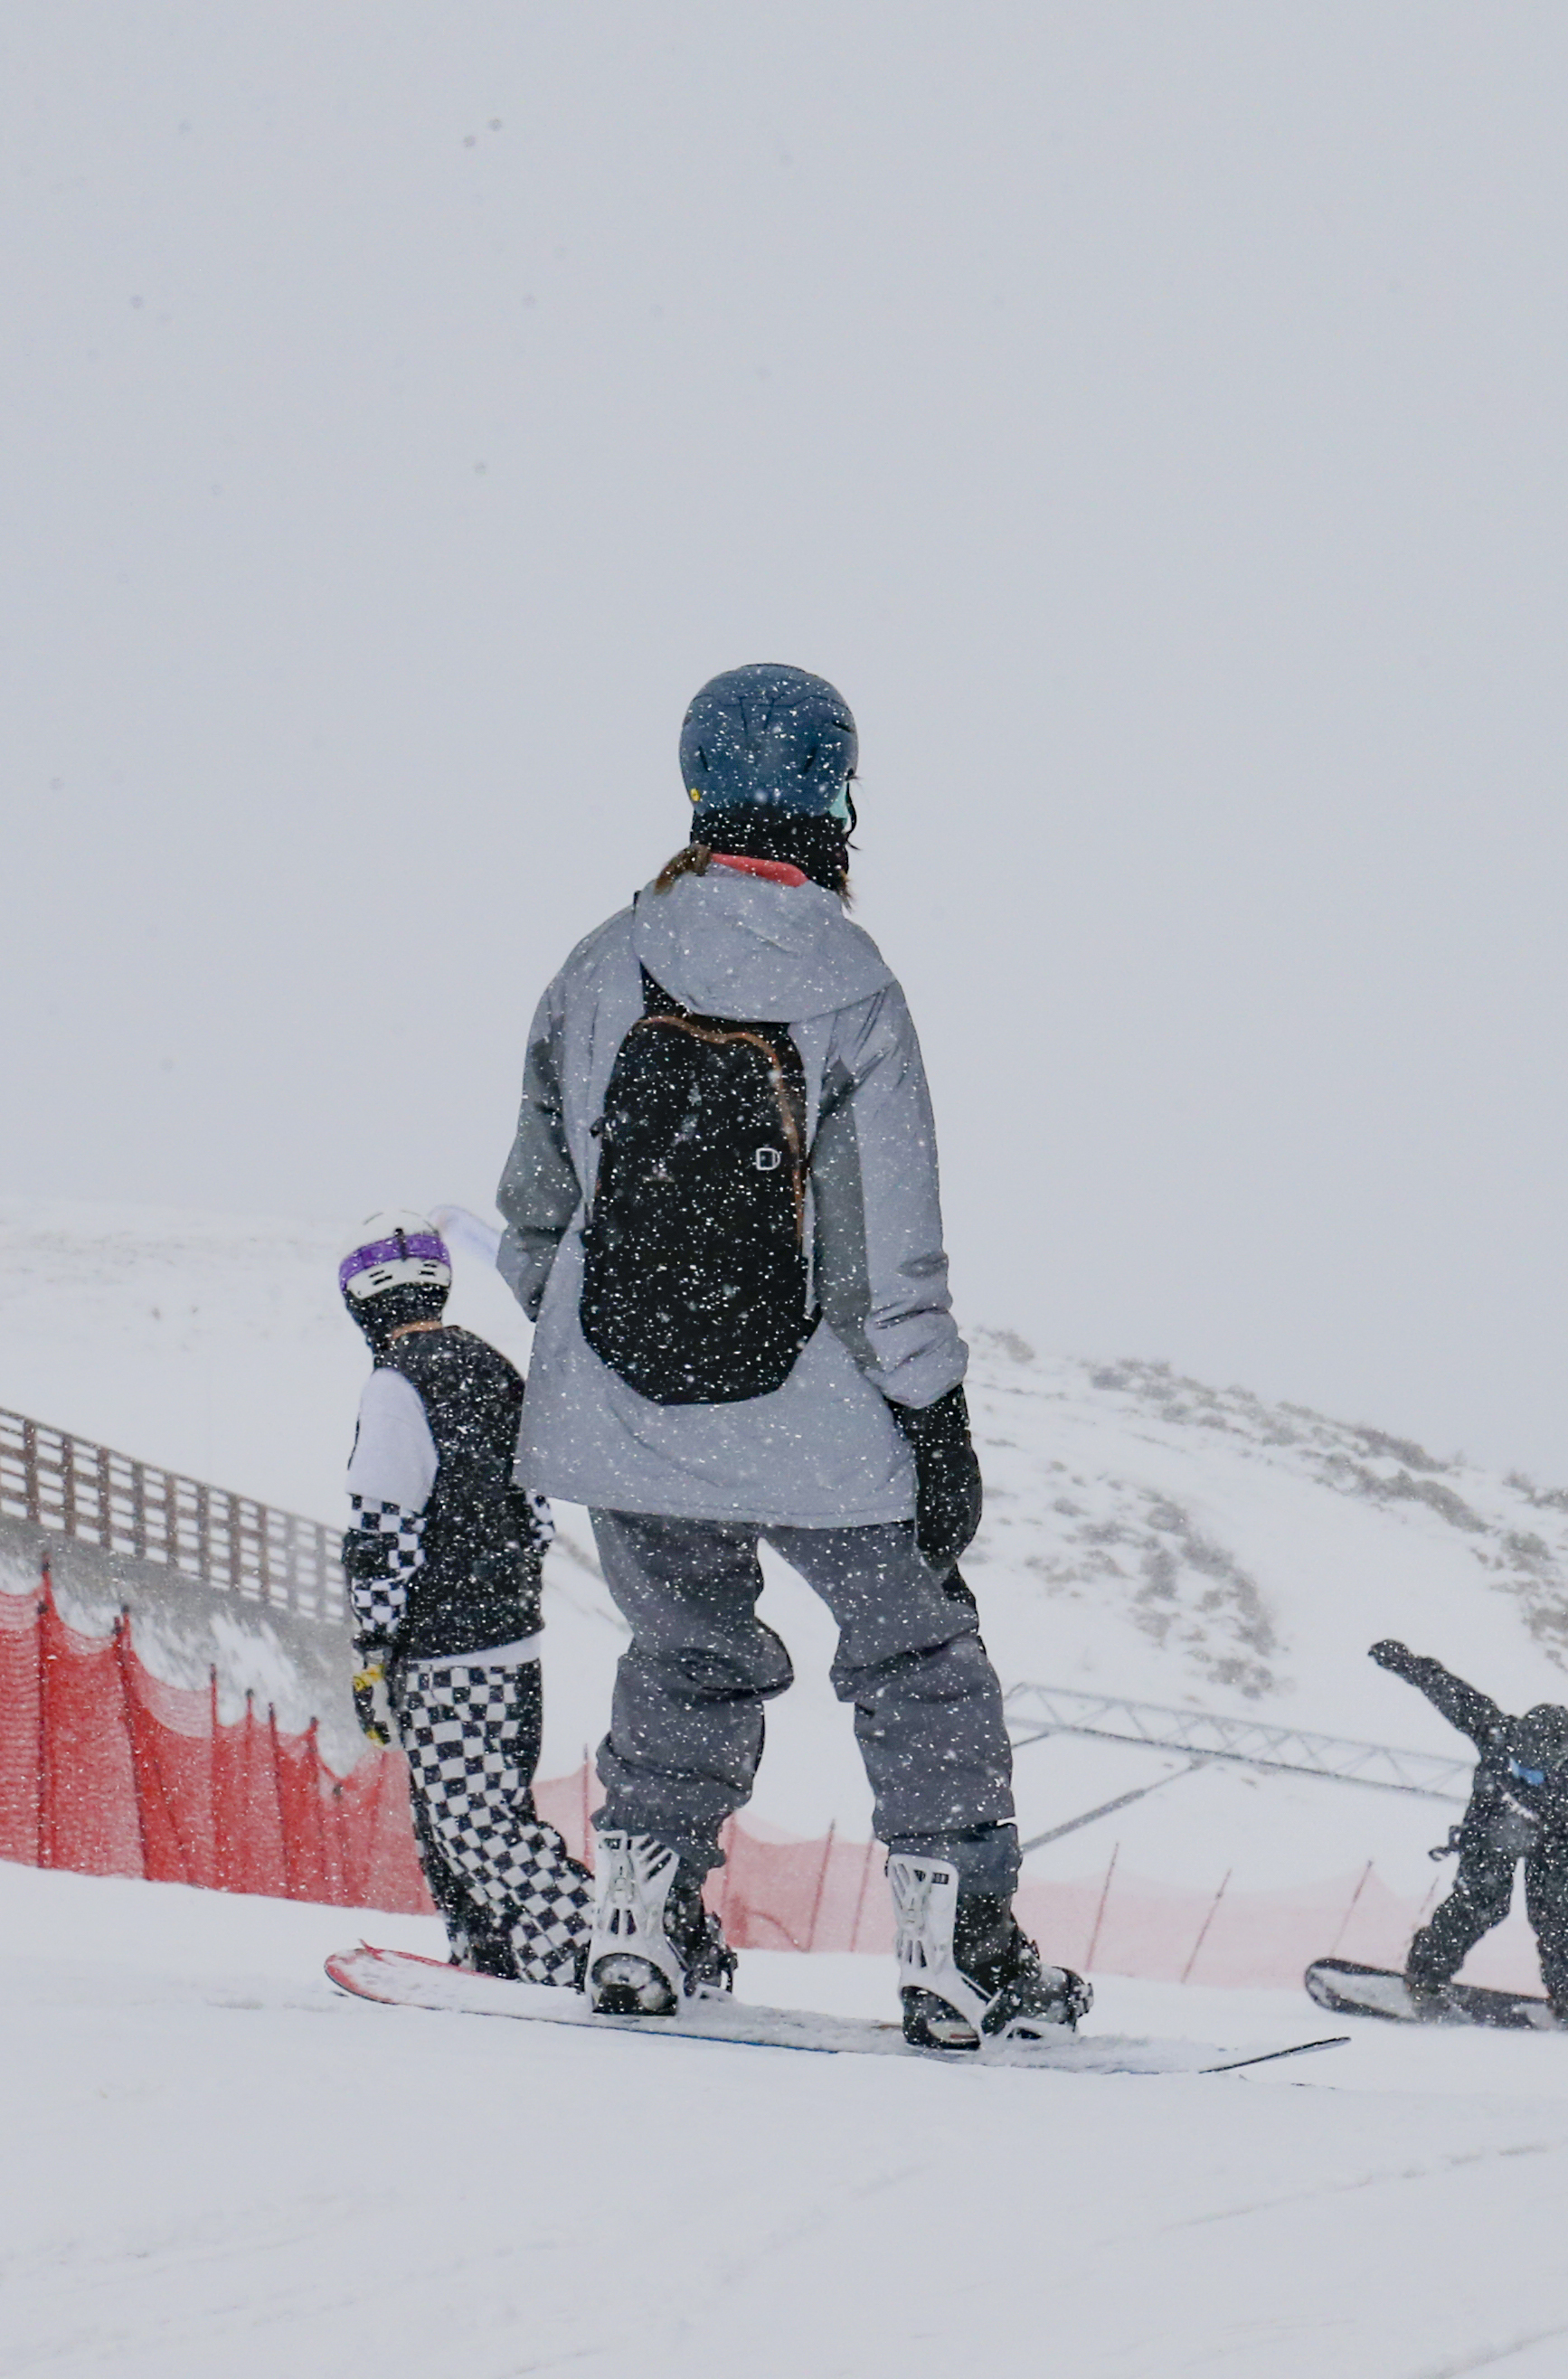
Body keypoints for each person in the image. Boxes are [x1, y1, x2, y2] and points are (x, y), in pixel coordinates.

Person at [495, 662, 1087, 2051]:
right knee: (918, 1655)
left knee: (682, 1646)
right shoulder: (854, 983)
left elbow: (535, 1205)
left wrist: (604, 1349)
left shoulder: (597, 961)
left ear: (695, 786)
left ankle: (642, 1913)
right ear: (837, 794)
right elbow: (891, 1249)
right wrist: (935, 1420)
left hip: (620, 1405)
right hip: (818, 1420)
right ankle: (960, 1942)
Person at [337, 1210, 594, 1987]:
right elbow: (538, 1507)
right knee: (467, 1813)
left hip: (447, 1648)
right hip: (512, 1639)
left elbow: (383, 1532)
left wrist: (373, 1651)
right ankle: (494, 1952)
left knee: (475, 1824)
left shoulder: (395, 1386)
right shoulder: (491, 1366)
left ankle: (585, 1948)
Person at [1368, 1641, 1568, 2027]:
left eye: (1534, 1775)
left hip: (1559, 1840)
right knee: (1481, 1900)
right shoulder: (1497, 1734)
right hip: (1492, 1825)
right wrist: (1408, 1664)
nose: (1523, 1777)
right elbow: (1452, 1694)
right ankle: (1425, 1977)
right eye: (1518, 1766)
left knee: (1563, 1915)